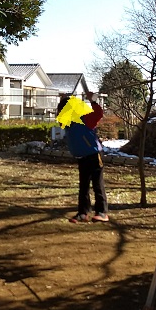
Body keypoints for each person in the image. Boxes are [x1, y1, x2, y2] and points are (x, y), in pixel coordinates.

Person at [58, 92, 109, 223]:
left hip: (94, 154)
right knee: (84, 186)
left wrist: (93, 101)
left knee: (97, 184)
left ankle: (102, 212)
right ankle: (83, 213)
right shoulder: (67, 122)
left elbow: (98, 113)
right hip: (82, 157)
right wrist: (63, 99)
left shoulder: (85, 119)